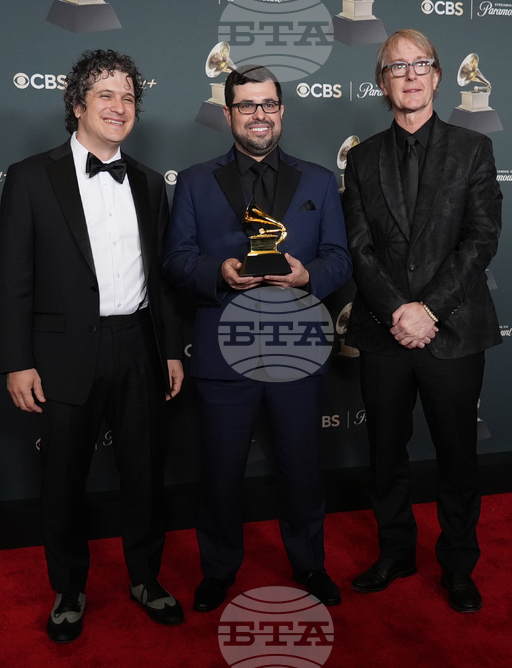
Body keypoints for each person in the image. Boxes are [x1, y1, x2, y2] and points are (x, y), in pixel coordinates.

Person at [0, 49, 185, 642]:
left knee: (145, 473)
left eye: (128, 96)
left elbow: (164, 279)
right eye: (105, 94)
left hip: (138, 345)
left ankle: (146, 578)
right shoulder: (30, 176)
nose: (118, 106)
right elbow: (12, 279)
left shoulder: (152, 184)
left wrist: (172, 349)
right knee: (63, 480)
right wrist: (18, 361)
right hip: (62, 354)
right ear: (77, 104)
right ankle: (69, 590)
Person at [163, 65, 352, 611]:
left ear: (282, 110)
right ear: (228, 114)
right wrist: (217, 272)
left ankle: (309, 563)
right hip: (223, 349)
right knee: (221, 470)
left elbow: (340, 258)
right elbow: (175, 260)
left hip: (297, 344)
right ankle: (220, 568)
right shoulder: (196, 181)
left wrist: (306, 276)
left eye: (267, 104)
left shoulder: (318, 180)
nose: (259, 115)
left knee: (301, 466)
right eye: (246, 106)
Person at [342, 29, 502, 613]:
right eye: (396, 68)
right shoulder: (360, 159)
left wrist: (428, 310)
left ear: (437, 76)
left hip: (452, 332)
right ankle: (396, 552)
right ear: (381, 82)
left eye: (421, 65)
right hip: (383, 335)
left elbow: (480, 238)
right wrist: (397, 313)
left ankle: (458, 565)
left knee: (457, 457)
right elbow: (357, 249)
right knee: (386, 454)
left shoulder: (473, 149)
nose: (409, 76)